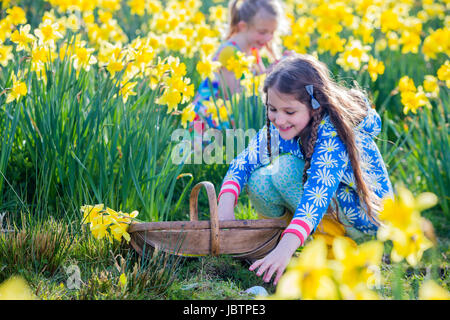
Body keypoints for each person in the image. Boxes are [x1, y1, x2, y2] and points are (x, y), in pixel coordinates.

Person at [217, 53, 394, 285]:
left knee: (285, 170)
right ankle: (270, 248)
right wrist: (226, 204)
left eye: (289, 112)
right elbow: (245, 161)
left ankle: (338, 253)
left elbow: (317, 194)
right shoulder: (283, 125)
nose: (279, 119)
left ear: (314, 105)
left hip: (364, 220)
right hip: (334, 209)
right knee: (260, 179)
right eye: (272, 109)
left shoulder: (333, 133)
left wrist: (288, 245)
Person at [192, 0, 287, 132]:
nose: (268, 38)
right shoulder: (229, 53)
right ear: (243, 26)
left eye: (272, 32)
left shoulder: (253, 51)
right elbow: (234, 94)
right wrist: (269, 73)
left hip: (229, 118)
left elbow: (260, 85)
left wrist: (279, 68)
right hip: (208, 121)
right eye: (262, 32)